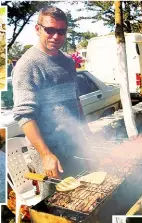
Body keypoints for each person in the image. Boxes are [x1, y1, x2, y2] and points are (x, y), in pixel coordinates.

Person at [12, 7, 89, 197]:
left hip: (73, 143)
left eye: (61, 31)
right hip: (48, 152)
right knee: (57, 203)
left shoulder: (69, 62)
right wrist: (46, 155)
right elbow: (24, 115)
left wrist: (86, 132)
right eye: (50, 30)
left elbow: (75, 100)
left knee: (84, 196)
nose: (56, 36)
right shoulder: (28, 65)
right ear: (38, 29)